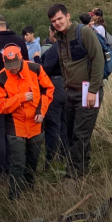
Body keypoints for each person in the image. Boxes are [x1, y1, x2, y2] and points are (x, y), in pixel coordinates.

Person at [49, 3, 104, 178]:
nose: (57, 23)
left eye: (60, 18)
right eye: (53, 21)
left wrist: (93, 91)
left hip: (88, 91)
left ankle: (74, 174)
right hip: (70, 92)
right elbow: (64, 65)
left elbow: (98, 60)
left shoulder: (84, 32)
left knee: (80, 134)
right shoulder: (60, 38)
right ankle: (82, 169)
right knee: (72, 133)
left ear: (68, 16)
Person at [0, 45, 54, 199]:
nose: (13, 69)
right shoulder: (0, 78)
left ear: (21, 58)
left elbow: (48, 90)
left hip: (36, 122)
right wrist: (20, 98)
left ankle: (29, 191)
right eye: (9, 65)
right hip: (15, 126)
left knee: (33, 160)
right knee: (18, 162)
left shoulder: (35, 69)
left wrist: (41, 112)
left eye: (15, 64)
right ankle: (14, 197)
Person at [0, 14, 29, 180]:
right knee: (16, 131)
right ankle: (17, 167)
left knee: (0, 133)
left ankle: (0, 171)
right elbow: (27, 66)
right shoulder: (19, 41)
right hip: (19, 93)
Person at [41, 25, 69, 170]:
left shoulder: (54, 49)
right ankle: (65, 154)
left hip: (55, 86)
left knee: (53, 124)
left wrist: (37, 60)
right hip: (69, 86)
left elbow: (45, 70)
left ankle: (51, 159)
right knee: (65, 123)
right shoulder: (69, 46)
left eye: (50, 32)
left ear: (53, 33)